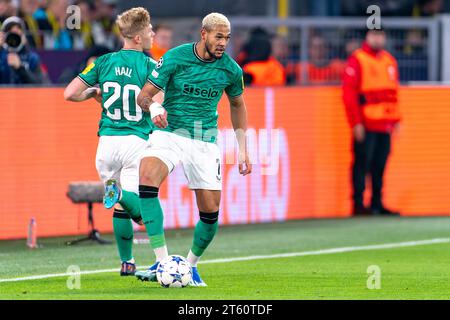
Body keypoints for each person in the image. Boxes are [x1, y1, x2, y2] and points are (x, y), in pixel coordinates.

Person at [130, 12, 252, 286]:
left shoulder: (231, 70)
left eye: (227, 38)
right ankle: (162, 261)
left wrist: (243, 147)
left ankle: (191, 265)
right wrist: (156, 106)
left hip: (204, 141)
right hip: (170, 133)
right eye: (218, 36)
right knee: (147, 177)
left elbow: (237, 105)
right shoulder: (175, 57)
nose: (223, 43)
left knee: (210, 212)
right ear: (204, 34)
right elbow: (144, 96)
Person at [64, 7, 162, 276]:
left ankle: (127, 262)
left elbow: (69, 93)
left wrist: (93, 93)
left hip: (106, 143)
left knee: (120, 207)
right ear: (139, 38)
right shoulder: (152, 66)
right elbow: (157, 107)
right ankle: (156, 252)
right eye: (150, 29)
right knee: (136, 205)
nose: (153, 33)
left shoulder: (103, 62)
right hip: (135, 142)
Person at [342, 28, 401, 216]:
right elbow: (349, 95)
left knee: (380, 165)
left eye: (381, 34)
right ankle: (358, 204)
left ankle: (377, 202)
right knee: (362, 163)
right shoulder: (358, 59)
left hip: (384, 123)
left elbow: (393, 93)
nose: (378, 38)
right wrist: (356, 122)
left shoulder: (389, 61)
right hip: (367, 123)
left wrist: (396, 119)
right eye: (375, 34)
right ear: (367, 37)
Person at [0, 16, 43, 84]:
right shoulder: (1, 56)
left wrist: (20, 68)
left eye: (17, 32)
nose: (13, 38)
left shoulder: (32, 58)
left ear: (23, 35)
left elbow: (39, 84)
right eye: (10, 32)